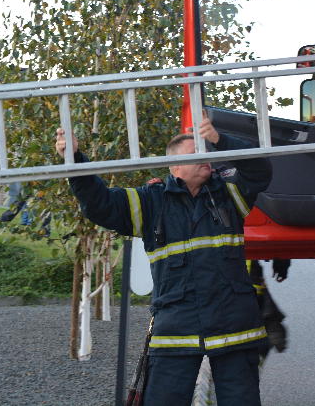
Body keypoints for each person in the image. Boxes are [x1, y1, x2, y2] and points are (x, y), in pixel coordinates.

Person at [56, 117, 272, 406]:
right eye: (196, 152)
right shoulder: (150, 202)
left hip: (234, 328)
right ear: (175, 167)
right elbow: (100, 204)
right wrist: (75, 159)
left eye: (208, 151)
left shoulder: (229, 194)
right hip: (176, 332)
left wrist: (221, 140)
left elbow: (260, 169)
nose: (206, 157)